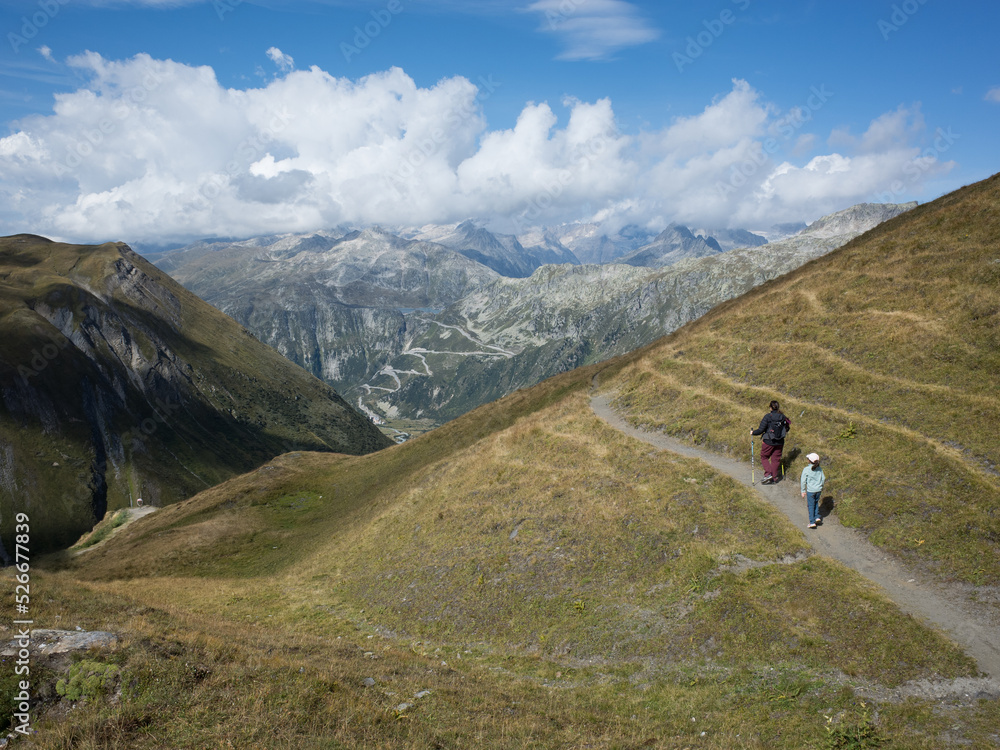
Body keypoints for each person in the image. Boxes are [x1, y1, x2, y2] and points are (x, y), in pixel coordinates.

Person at [750, 400, 790, 484]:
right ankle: (774, 478)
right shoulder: (783, 417)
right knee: (776, 459)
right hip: (780, 442)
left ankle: (768, 474)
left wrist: (753, 433)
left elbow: (761, 430)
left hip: (769, 441)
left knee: (764, 456)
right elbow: (787, 428)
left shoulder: (768, 417)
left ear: (770, 407)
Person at [800, 453, 826, 529]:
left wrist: (803, 490)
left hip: (810, 491)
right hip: (818, 490)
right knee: (816, 503)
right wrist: (821, 486)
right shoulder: (819, 469)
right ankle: (817, 517)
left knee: (811, 505)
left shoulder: (806, 469)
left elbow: (803, 481)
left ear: (809, 461)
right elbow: (823, 478)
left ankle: (812, 522)